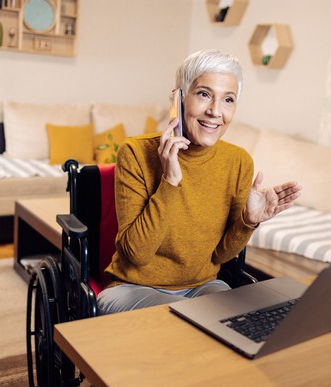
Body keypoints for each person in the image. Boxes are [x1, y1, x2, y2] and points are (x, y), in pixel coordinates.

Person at [97, 49, 301, 315]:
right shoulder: (136, 153)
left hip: (202, 287)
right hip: (132, 288)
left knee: (232, 319)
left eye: (228, 100)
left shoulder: (238, 162)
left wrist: (249, 221)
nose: (216, 111)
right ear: (178, 99)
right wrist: (170, 181)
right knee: (197, 319)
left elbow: (220, 257)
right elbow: (136, 255)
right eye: (204, 94)